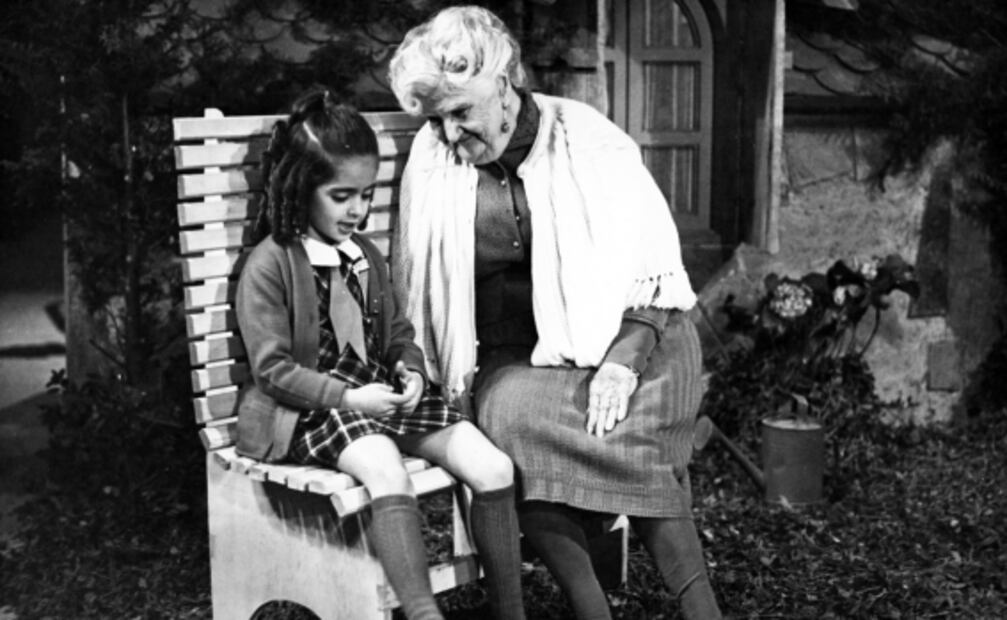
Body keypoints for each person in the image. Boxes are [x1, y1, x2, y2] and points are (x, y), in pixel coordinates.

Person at [388, 6, 722, 620]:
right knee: (516, 424)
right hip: (515, 360)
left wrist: (621, 363)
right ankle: (592, 608)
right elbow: (413, 285)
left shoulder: (588, 138)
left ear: (503, 83)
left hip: (629, 337)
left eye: (460, 113)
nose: (450, 134)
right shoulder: (433, 162)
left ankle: (701, 608)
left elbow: (653, 270)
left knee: (633, 415)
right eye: (436, 119)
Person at [233, 88, 526, 620]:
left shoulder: (363, 254)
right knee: (386, 468)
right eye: (342, 196)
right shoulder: (272, 264)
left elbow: (397, 332)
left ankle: (512, 614)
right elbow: (273, 372)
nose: (358, 210)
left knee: (493, 466)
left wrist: (408, 369)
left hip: (376, 395)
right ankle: (423, 614)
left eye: (366, 195)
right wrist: (350, 399)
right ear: (302, 188)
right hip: (313, 409)